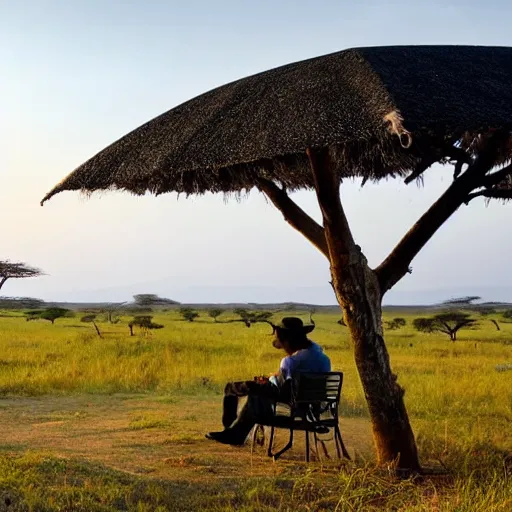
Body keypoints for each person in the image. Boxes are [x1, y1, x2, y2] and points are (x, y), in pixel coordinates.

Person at [206, 316, 331, 446]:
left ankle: (231, 432)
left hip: (292, 411)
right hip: (314, 412)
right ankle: (233, 432)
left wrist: (270, 380)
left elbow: (281, 392)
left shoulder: (290, 361)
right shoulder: (323, 358)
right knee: (253, 391)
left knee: (246, 392)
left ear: (287, 342)